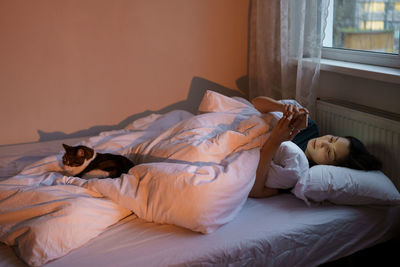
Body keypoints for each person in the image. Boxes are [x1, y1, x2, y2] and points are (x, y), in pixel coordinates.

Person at [249, 96, 382, 198]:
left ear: (329, 166)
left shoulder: (296, 171)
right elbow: (256, 102)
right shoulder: (309, 127)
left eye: (329, 152)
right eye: (332, 139)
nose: (324, 143)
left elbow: (256, 191)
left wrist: (274, 141)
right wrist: (282, 107)